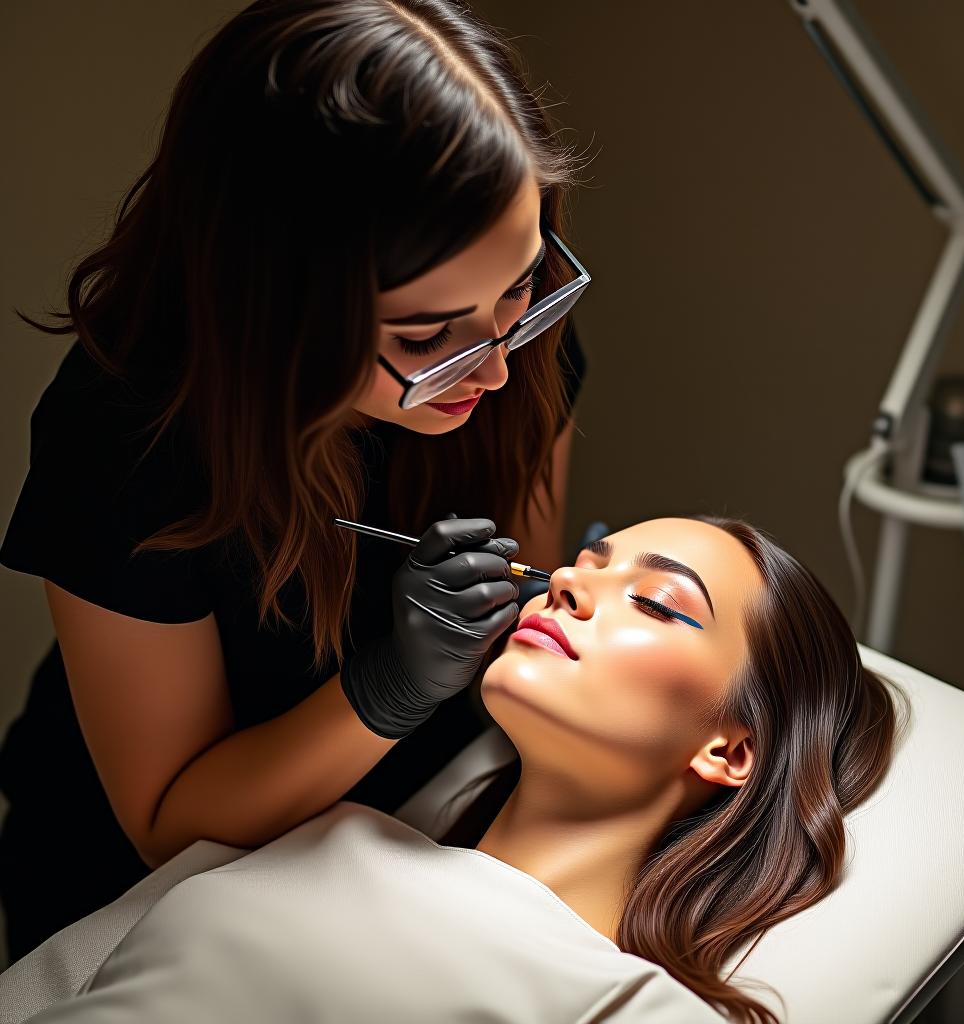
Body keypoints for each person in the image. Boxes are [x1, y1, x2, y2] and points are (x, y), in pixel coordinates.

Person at [0, 0, 590, 960]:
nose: (495, 369)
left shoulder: (512, 338)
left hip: (415, 828)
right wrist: (389, 686)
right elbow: (166, 820)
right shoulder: (126, 437)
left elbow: (532, 559)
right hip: (155, 888)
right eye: (423, 335)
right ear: (273, 309)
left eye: (521, 287)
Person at [0, 517, 906, 1024]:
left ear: (730, 750)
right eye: (587, 562)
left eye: (657, 603)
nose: (566, 584)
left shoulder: (632, 1008)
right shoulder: (315, 835)